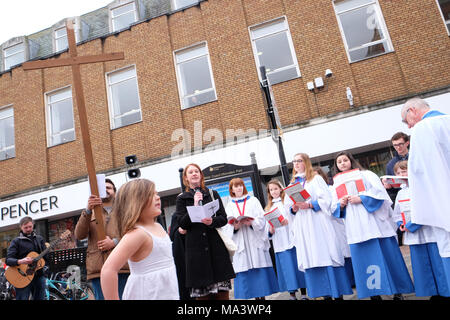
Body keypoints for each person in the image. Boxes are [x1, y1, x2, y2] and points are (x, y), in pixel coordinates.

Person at [331, 151, 414, 300]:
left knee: (387, 259)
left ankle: (396, 291)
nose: (342, 163)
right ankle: (374, 294)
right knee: (366, 264)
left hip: (376, 225)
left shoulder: (366, 175)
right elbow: (333, 207)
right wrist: (341, 204)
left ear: (351, 160)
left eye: (345, 160)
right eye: (339, 162)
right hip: (356, 229)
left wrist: (361, 198)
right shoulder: (335, 183)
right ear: (336, 166)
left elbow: (381, 194)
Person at [286, 153, 353, 300]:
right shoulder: (292, 185)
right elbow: (288, 209)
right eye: (294, 161)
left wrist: (309, 204)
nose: (296, 164)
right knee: (311, 257)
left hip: (318, 223)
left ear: (306, 163)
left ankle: (337, 294)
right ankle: (324, 295)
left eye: (299, 161)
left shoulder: (315, 179)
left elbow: (327, 200)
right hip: (303, 225)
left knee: (326, 253)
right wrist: (294, 209)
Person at [400, 97, 450, 289]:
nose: (410, 127)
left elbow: (419, 170)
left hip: (443, 202)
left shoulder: (422, 129)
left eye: (407, 121)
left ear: (412, 111)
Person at [101, 179, 179, 300]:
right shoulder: (137, 234)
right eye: (151, 195)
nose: (158, 197)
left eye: (157, 193)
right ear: (136, 201)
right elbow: (108, 270)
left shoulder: (157, 226)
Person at [173, 163, 235, 300]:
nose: (194, 174)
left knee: (223, 296)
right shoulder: (182, 198)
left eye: (197, 171)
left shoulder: (212, 194)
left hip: (216, 251)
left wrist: (212, 221)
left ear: (201, 175)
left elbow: (223, 218)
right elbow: (182, 223)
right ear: (186, 178)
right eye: (191, 172)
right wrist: (195, 206)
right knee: (203, 298)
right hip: (196, 255)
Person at [391, 160, 449, 299]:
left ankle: (445, 292)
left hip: (430, 233)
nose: (401, 174)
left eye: (404, 171)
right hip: (414, 237)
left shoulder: (423, 188)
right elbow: (397, 213)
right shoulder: (401, 193)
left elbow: (427, 209)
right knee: (421, 265)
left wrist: (412, 225)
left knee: (437, 263)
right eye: (398, 172)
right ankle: (431, 293)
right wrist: (401, 224)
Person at [74, 178, 129, 300]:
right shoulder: (90, 213)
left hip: (122, 267)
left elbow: (133, 233)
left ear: (115, 191)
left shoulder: (124, 211)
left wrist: (114, 242)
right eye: (102, 189)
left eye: (108, 188)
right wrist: (88, 210)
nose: (105, 190)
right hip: (99, 269)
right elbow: (79, 235)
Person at [225, 178, 279, 300]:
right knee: (246, 275)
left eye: (240, 186)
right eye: (236, 186)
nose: (239, 188)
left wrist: (252, 223)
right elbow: (227, 226)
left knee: (259, 272)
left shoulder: (253, 200)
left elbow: (262, 218)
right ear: (232, 189)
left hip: (254, 239)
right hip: (241, 243)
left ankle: (263, 297)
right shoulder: (229, 205)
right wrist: (235, 227)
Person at [265, 179, 307, 300]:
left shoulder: (286, 202)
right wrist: (270, 230)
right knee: (287, 270)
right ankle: (292, 294)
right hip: (279, 241)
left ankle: (303, 293)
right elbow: (266, 226)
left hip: (291, 238)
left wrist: (288, 220)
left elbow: (294, 215)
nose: (274, 192)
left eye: (275, 189)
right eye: (271, 190)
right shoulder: (268, 207)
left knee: (297, 266)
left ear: (281, 189)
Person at [313, 166, 355, 288]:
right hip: (323, 225)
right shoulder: (313, 194)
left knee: (343, 249)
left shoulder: (331, 189)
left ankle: (351, 279)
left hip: (337, 222)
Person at [5, 217, 48, 300]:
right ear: (21, 227)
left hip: (38, 275)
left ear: (33, 225)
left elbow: (46, 258)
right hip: (22, 276)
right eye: (26, 227)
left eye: (30, 226)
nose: (28, 229)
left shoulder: (39, 239)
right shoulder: (16, 241)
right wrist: (21, 261)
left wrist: (47, 255)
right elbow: (8, 260)